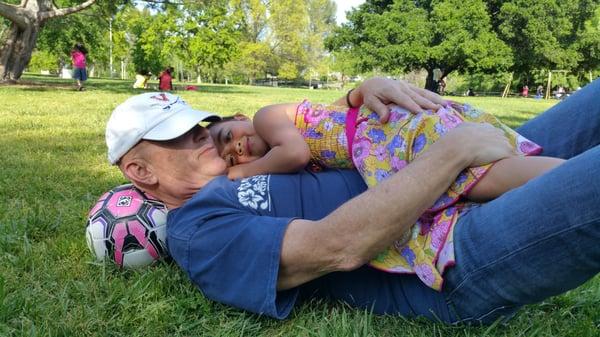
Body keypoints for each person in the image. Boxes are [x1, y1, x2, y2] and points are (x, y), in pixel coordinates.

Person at [105, 77, 600, 324]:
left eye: (200, 124)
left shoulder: (251, 158)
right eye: (178, 136)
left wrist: (361, 93)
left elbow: (322, 133)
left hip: (457, 175)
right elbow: (334, 247)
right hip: (450, 257)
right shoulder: (197, 228)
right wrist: (455, 151)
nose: (203, 135)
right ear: (140, 172)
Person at [207, 98, 562, 289]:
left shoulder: (268, 117)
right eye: (230, 156)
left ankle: (575, 175)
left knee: (479, 178)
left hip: (388, 135)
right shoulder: (279, 135)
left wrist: (242, 170)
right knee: (480, 178)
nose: (237, 147)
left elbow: (295, 153)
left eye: (228, 136)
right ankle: (572, 172)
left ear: (240, 116)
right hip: (384, 141)